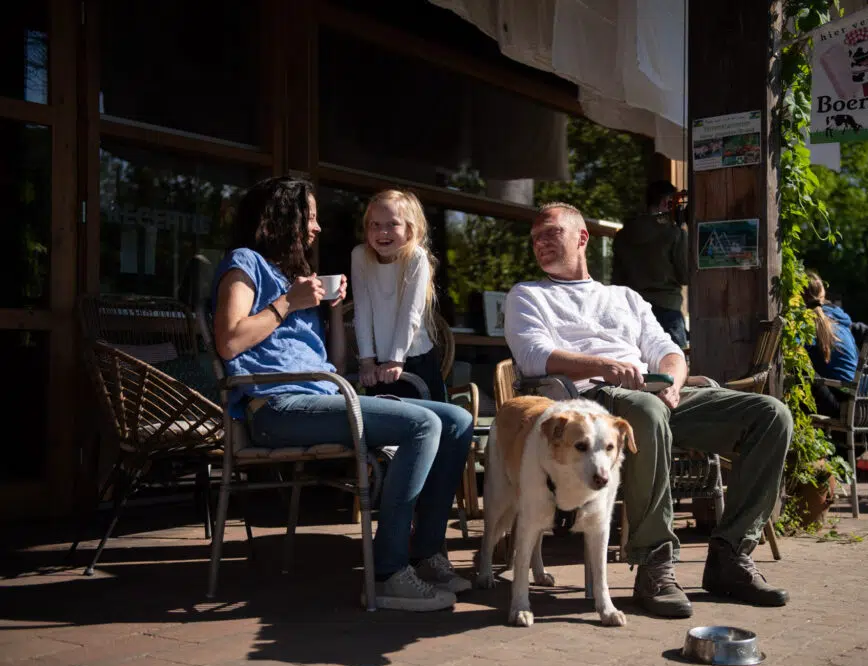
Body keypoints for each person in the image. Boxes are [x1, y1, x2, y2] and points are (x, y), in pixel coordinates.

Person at [504, 202, 792, 619]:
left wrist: (672, 384)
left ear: (582, 238)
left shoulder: (624, 297)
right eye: (535, 239)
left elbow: (668, 351)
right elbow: (532, 357)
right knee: (645, 411)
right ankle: (654, 562)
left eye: (552, 233)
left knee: (770, 415)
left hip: (654, 396)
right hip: (594, 405)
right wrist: (603, 367)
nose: (540, 244)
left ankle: (731, 554)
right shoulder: (527, 295)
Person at [211, 176, 473, 611]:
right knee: (423, 424)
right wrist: (288, 304)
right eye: (309, 217)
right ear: (281, 217)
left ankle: (426, 553)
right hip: (275, 408)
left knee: (456, 419)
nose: (315, 228)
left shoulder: (292, 277)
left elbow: (328, 362)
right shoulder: (245, 263)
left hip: (319, 396)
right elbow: (229, 341)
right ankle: (389, 573)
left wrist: (330, 313)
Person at [352, 189, 447, 402]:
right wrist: (367, 360)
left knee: (427, 424)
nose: (382, 232)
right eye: (374, 225)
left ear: (409, 231)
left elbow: (410, 314)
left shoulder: (415, 257)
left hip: (414, 358)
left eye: (392, 224)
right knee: (382, 428)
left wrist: (396, 360)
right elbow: (362, 310)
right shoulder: (360, 256)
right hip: (377, 363)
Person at [612, 180, 690, 348]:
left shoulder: (623, 236)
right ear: (665, 202)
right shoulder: (674, 235)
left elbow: (616, 279)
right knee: (674, 365)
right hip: (666, 309)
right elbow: (685, 275)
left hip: (631, 310)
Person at [803, 271, 861, 418]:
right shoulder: (842, 324)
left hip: (842, 408)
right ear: (824, 295)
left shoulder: (805, 324)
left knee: (800, 369)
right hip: (862, 403)